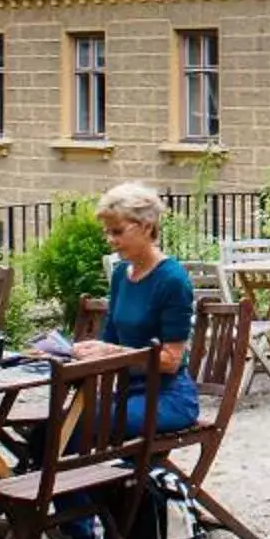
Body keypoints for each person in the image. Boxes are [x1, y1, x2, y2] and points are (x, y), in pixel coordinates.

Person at [74, 181, 203, 436]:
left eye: (118, 231)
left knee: (82, 426)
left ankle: (133, 474)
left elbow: (171, 361)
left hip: (166, 397)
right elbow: (109, 339)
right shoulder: (122, 274)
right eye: (107, 232)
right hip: (125, 391)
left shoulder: (172, 279)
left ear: (146, 227)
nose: (110, 240)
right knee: (52, 424)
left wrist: (111, 351)